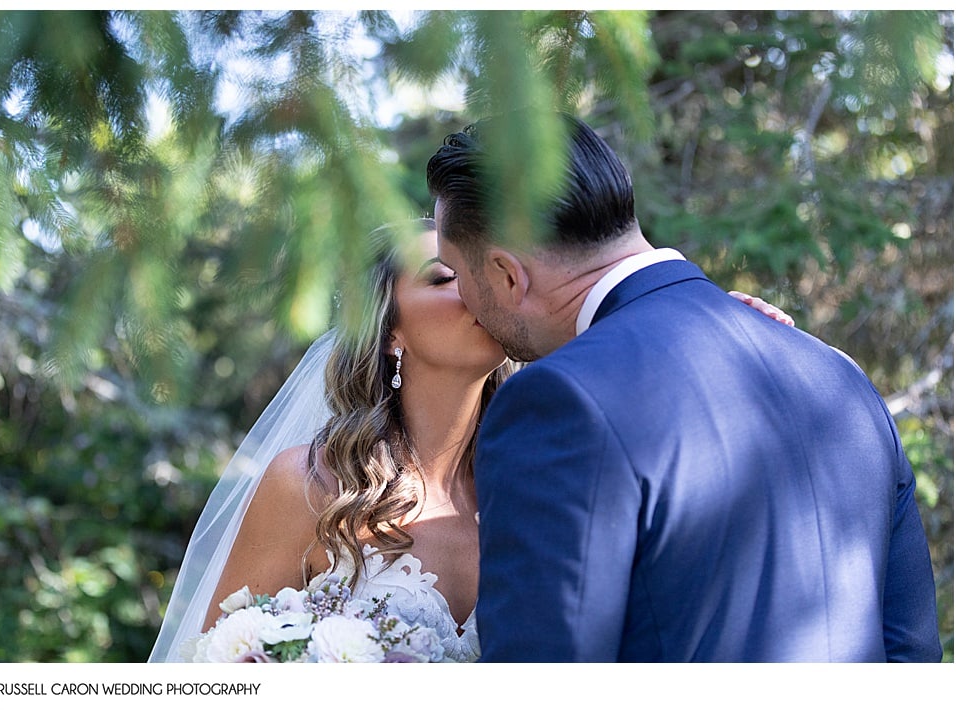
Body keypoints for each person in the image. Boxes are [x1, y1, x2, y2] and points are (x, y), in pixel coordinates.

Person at [148, 216, 791, 663]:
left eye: (478, 270)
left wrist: (714, 336)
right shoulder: (310, 486)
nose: (474, 290)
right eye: (441, 276)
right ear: (389, 328)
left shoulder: (542, 481)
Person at [426, 110, 942, 662]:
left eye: (458, 274)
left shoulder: (558, 401)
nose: (465, 301)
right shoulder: (840, 374)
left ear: (507, 274)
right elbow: (911, 653)